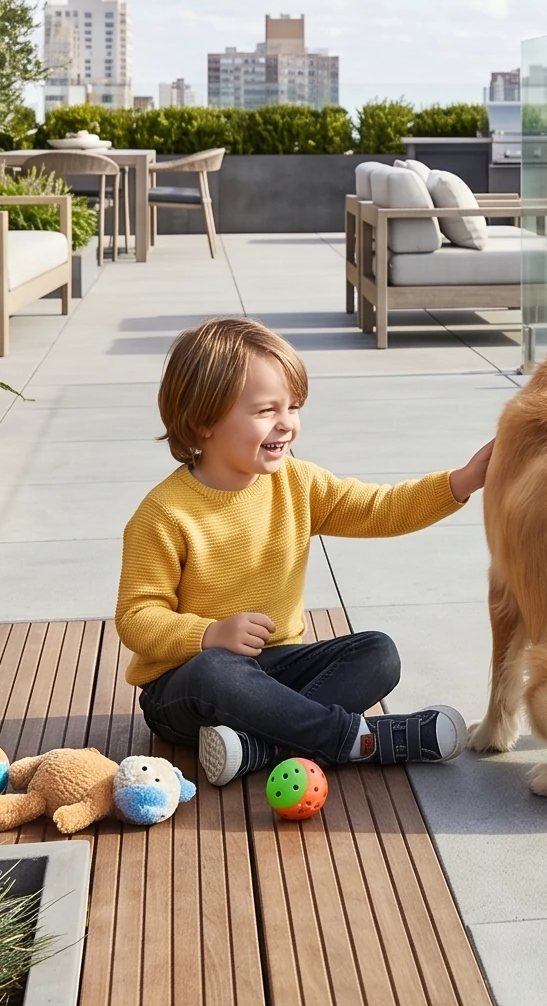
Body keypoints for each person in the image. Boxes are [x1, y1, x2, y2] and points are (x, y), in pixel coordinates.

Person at [117, 316, 492, 786]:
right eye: (264, 411)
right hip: (185, 693)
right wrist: (209, 634)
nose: (287, 423)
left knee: (378, 653)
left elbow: (379, 508)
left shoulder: (298, 483)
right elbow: (136, 617)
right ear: (203, 421)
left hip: (276, 674)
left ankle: (258, 747)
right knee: (216, 670)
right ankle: (357, 740)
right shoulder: (164, 513)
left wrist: (461, 482)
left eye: (293, 407)